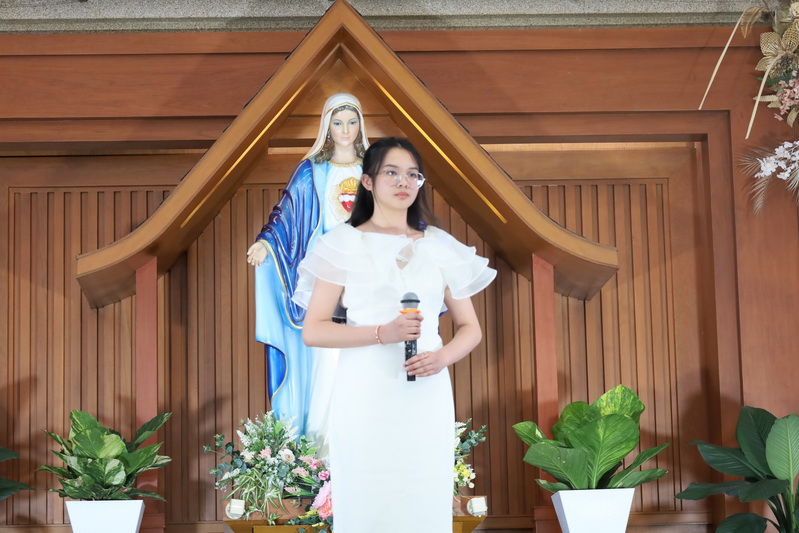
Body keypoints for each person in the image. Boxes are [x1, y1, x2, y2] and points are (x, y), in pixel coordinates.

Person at [293, 137, 496, 532]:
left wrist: (442, 357)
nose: (404, 182)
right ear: (368, 181)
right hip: (365, 389)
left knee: (423, 487)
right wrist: (382, 333)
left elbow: (470, 328)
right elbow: (313, 330)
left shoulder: (439, 245)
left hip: (426, 390)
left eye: (413, 175)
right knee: (368, 490)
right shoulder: (341, 244)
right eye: (392, 172)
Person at [246, 93, 369, 442]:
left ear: (361, 125)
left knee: (368, 350)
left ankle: (366, 437)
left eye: (352, 121)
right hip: (326, 270)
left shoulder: (373, 168)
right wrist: (267, 242)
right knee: (327, 356)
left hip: (366, 271)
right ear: (327, 127)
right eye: (337, 122)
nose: (345, 130)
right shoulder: (312, 170)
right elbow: (285, 213)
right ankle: (321, 443)